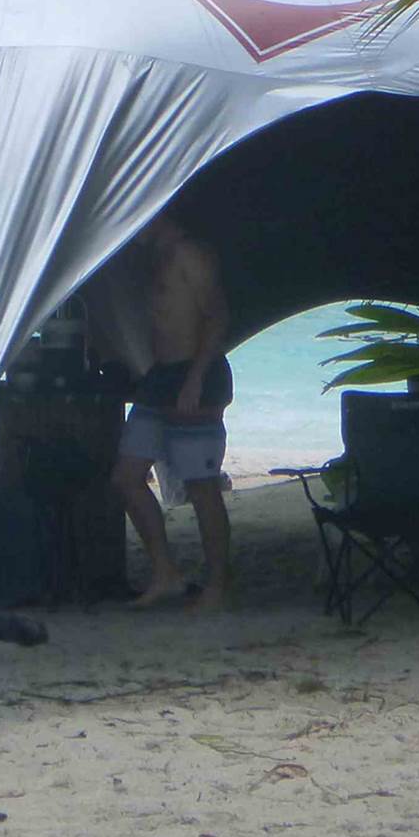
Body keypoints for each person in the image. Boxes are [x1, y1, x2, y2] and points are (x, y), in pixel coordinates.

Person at [111, 203, 234, 609]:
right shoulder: (157, 256)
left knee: (201, 486)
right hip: (160, 377)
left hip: (194, 374)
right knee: (127, 477)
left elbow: (217, 317)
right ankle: (166, 574)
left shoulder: (189, 253)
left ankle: (217, 587)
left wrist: (196, 378)